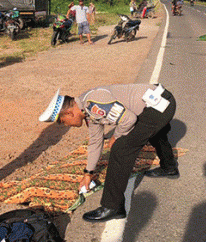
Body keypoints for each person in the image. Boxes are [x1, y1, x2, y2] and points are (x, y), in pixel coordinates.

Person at [39, 84, 178, 222]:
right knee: (150, 131)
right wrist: (88, 173)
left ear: (69, 113)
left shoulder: (93, 104)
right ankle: (169, 167)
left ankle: (113, 206)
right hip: (160, 102)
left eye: (63, 122)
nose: (67, 125)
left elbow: (129, 119)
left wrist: (115, 137)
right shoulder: (87, 110)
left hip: (160, 105)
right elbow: (95, 142)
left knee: (121, 149)